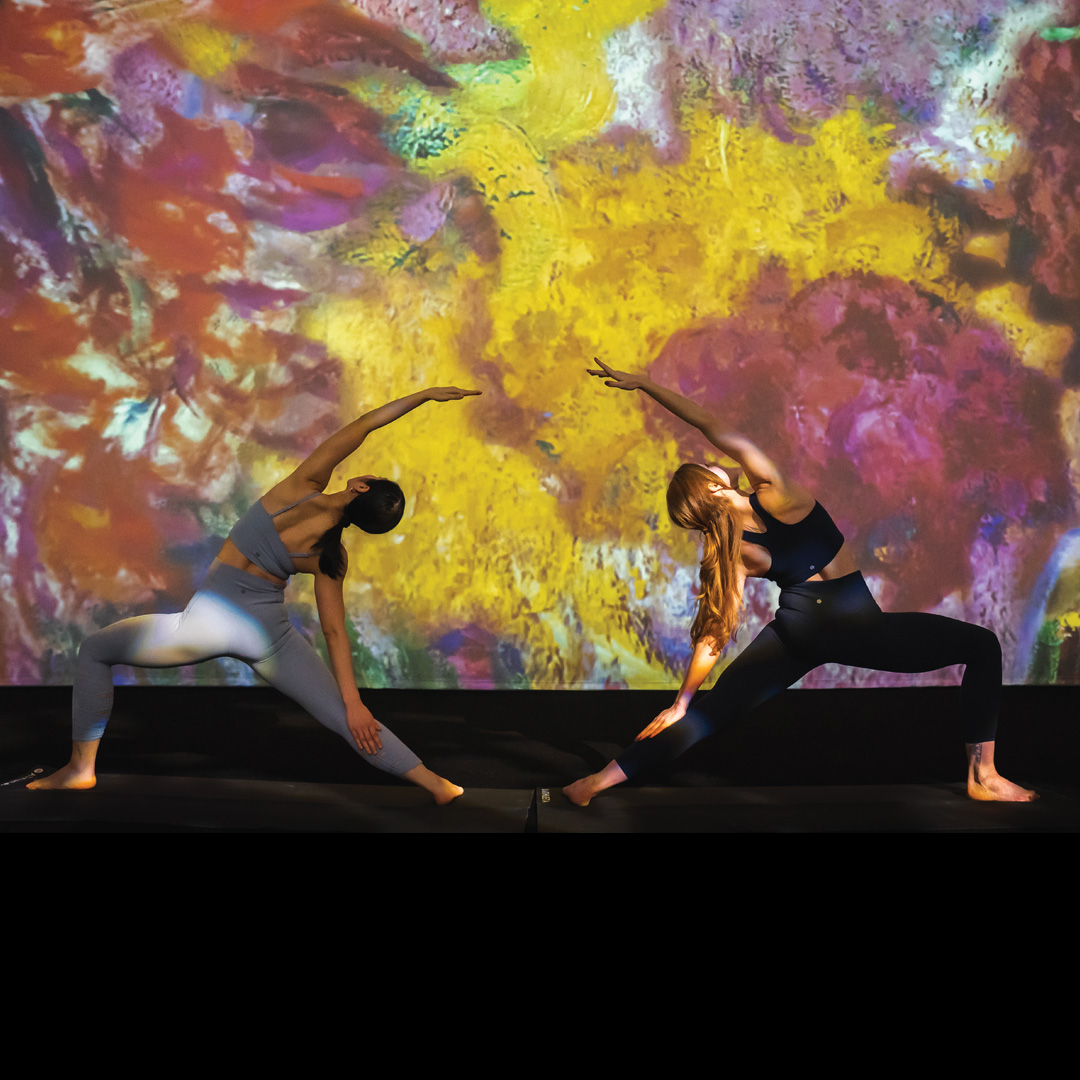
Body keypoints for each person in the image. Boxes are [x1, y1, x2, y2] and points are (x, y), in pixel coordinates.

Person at [563, 359, 1036, 806]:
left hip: (798, 630)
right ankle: (983, 775)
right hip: (855, 624)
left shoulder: (731, 550)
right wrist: (647, 384)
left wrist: (683, 701)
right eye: (707, 467)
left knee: (708, 715)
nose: (713, 461)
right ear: (711, 487)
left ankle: (596, 782)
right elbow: (710, 423)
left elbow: (715, 632)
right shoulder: (773, 491)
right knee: (982, 647)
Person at [30, 385, 480, 805]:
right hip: (268, 635)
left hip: (207, 623)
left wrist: (425, 396)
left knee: (95, 650)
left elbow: (365, 424)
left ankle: (81, 769)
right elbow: (334, 632)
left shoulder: (301, 486)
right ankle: (438, 785)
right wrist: (354, 704)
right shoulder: (331, 557)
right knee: (348, 721)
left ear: (360, 485)